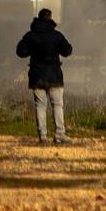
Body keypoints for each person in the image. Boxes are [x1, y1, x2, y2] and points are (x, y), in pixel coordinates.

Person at [16, 8, 73, 144]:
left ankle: (42, 136)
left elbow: (20, 51)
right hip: (54, 76)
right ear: (50, 18)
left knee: (40, 106)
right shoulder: (57, 35)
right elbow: (68, 50)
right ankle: (60, 134)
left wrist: (32, 49)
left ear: (38, 18)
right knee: (57, 105)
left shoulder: (30, 35)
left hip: (37, 75)